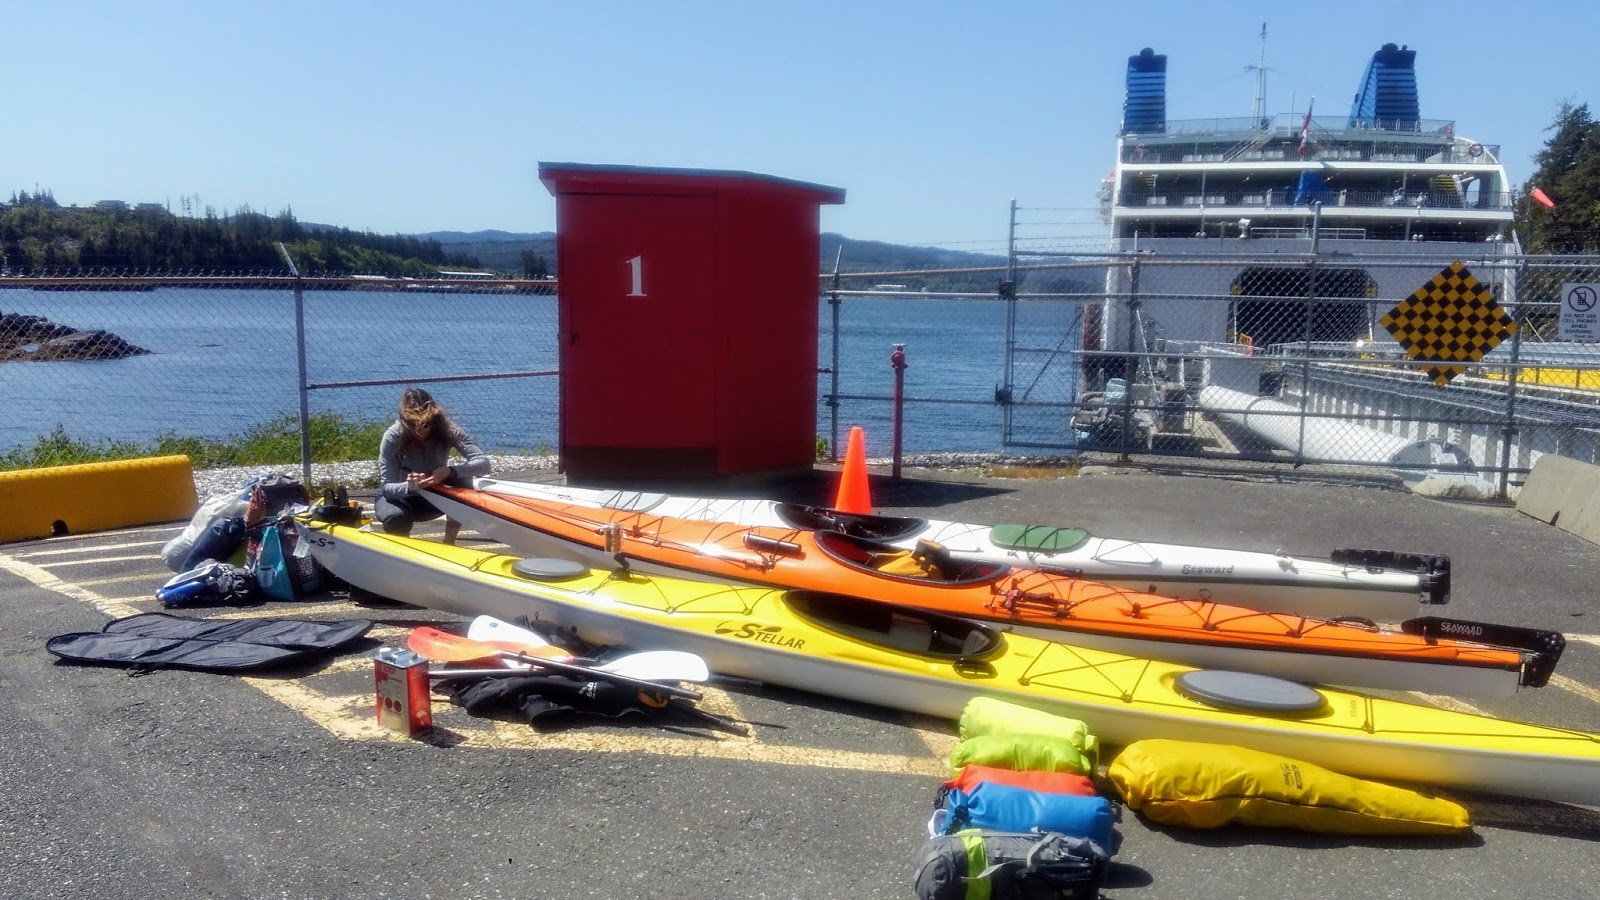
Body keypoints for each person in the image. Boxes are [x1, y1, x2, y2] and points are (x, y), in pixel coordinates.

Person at [376, 388, 491, 542]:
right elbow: (387, 488)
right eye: (413, 424)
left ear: (435, 419)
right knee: (395, 517)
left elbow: (484, 464)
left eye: (426, 424)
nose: (420, 430)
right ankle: (402, 551)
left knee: (465, 485)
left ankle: (449, 543)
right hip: (402, 498)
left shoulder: (448, 429)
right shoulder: (393, 436)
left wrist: (450, 471)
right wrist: (410, 486)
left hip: (436, 495)